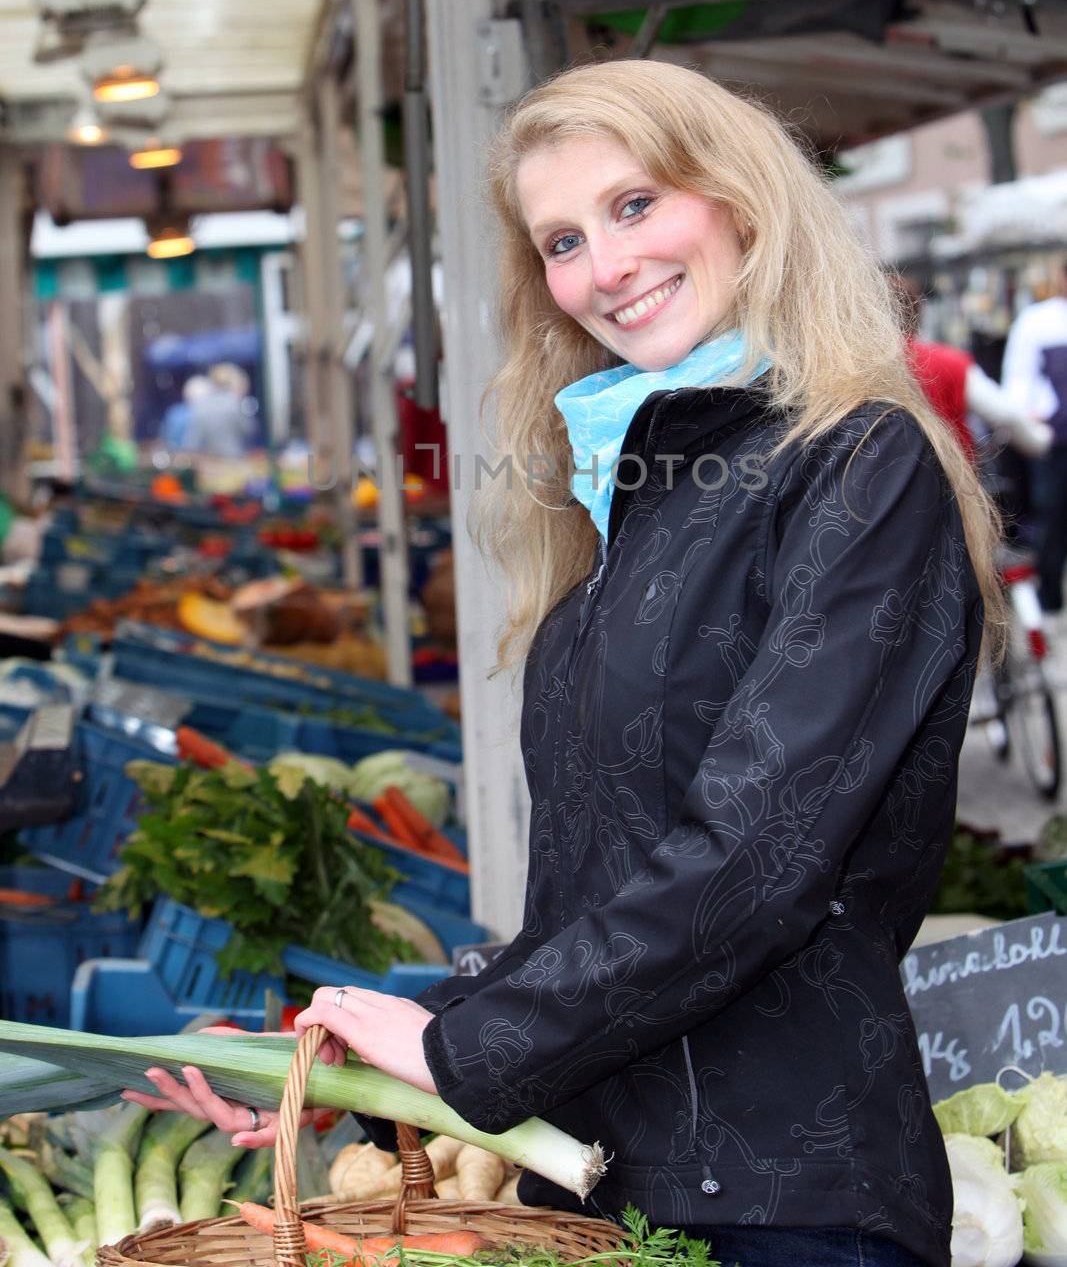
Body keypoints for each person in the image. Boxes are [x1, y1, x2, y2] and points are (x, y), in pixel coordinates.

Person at [127, 62, 1005, 1267]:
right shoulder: (641, 491)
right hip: (608, 1183)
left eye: (635, 205)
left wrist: (460, 1053)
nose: (603, 267)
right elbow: (603, 894)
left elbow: (755, 859)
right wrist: (363, 1048)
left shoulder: (855, 465)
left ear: (740, 199)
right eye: (561, 240)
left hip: (780, 1198)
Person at [890, 274, 1052, 464]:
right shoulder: (946, 361)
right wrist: (1040, 440)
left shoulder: (859, 369)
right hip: (949, 477)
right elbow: (1003, 411)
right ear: (919, 311)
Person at [1001, 265, 1067, 615]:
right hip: (1054, 442)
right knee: (1052, 517)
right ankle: (1050, 600)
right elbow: (1018, 380)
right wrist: (1030, 416)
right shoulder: (1037, 322)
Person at [184, 363, 253, 459]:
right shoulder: (234, 403)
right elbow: (248, 429)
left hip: (210, 461)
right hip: (234, 458)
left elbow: (193, 441)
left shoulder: (200, 405)